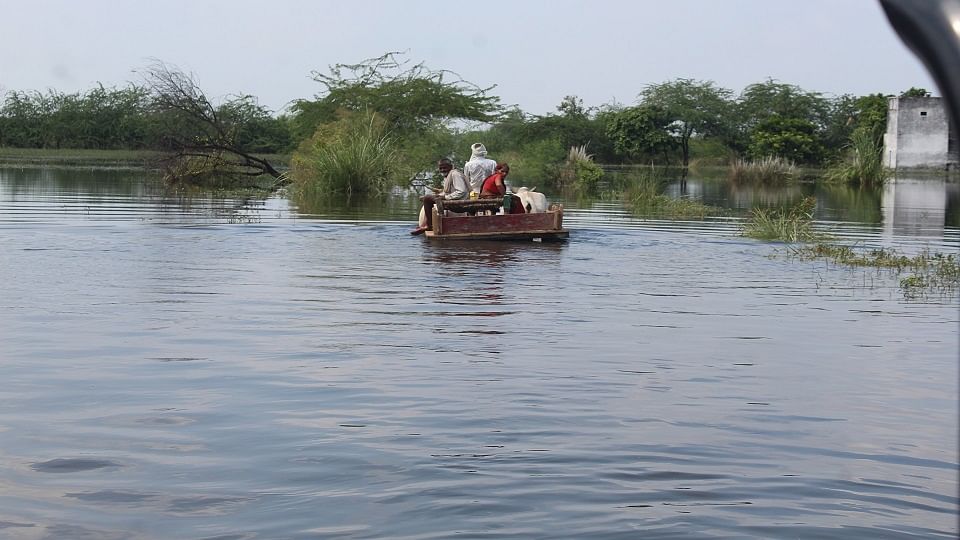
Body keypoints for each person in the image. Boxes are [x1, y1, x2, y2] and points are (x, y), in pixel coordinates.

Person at [411, 158, 471, 235]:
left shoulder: (455, 174)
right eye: (441, 168)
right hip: (453, 199)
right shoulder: (449, 175)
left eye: (445, 168)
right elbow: (448, 192)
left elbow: (461, 191)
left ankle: (427, 225)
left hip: (460, 201)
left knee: (427, 198)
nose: (442, 170)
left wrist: (446, 197)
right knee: (427, 198)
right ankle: (426, 224)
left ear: (451, 166)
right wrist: (438, 195)